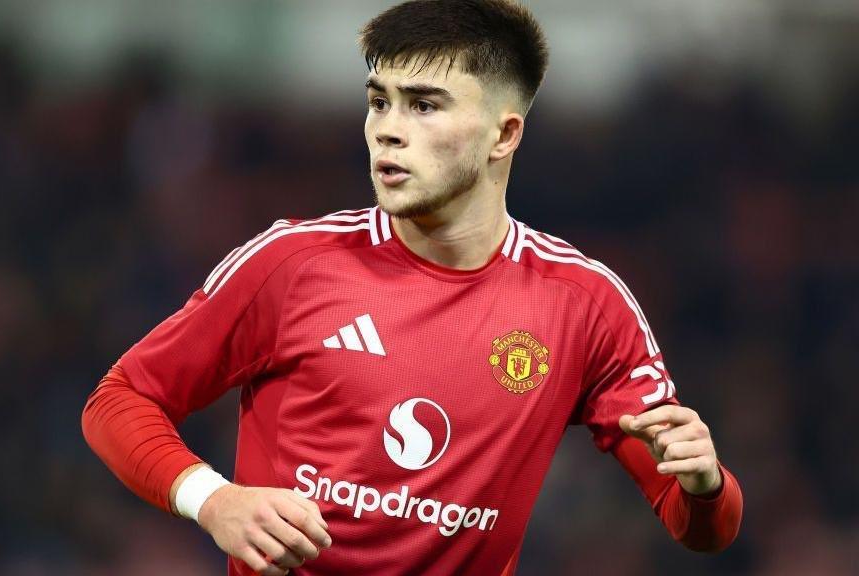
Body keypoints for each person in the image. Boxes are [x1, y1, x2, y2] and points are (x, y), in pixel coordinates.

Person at [82, 1, 743, 574]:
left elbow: (701, 526)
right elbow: (120, 400)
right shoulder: (294, 264)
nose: (388, 130)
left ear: (504, 134)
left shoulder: (584, 305)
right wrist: (214, 500)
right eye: (380, 101)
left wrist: (705, 485)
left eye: (424, 105)